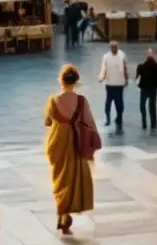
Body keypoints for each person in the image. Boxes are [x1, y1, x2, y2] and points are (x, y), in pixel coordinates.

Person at [44, 64, 97, 234]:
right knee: (72, 180)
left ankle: (62, 212)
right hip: (75, 144)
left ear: (61, 80)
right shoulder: (82, 101)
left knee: (59, 180)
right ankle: (64, 215)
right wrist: (91, 147)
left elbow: (47, 122)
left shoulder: (53, 100)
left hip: (57, 145)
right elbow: (90, 124)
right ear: (76, 81)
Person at [99, 40, 128, 133]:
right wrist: (102, 77)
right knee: (108, 102)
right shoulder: (106, 57)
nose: (114, 49)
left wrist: (126, 78)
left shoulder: (122, 55)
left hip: (119, 83)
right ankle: (108, 119)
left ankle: (119, 118)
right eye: (112, 47)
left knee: (119, 103)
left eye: (115, 47)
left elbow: (125, 67)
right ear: (110, 48)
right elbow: (104, 67)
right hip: (110, 83)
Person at [135, 48, 157, 132]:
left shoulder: (141, 67)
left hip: (144, 88)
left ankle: (144, 123)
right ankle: (153, 125)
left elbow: (137, 77)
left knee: (142, 106)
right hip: (153, 89)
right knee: (152, 107)